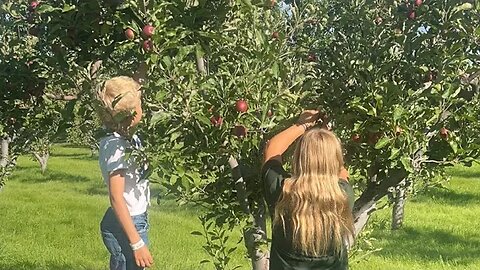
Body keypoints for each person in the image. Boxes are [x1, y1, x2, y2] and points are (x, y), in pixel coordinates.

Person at [262, 110, 355, 270]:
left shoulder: (281, 191)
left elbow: (272, 149)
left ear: (298, 157)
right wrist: (326, 138)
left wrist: (302, 125)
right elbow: (340, 170)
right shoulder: (343, 196)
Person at [95, 76, 153, 270]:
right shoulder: (117, 147)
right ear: (130, 114)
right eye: (140, 104)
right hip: (127, 224)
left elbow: (138, 80)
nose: (142, 108)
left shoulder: (126, 136)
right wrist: (137, 244)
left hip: (131, 219)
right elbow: (116, 198)